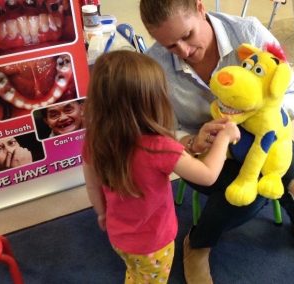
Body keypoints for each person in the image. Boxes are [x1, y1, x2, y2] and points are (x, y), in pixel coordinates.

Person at [139, 0, 294, 283]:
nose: (183, 51)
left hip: (264, 141)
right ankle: (198, 243)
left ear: (200, 8)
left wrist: (264, 116)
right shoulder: (153, 65)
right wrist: (192, 141)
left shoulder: (248, 33)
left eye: (187, 36)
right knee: (246, 199)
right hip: (201, 152)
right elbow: (160, 130)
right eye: (170, 46)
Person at [82, 50, 240, 284]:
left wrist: (102, 214)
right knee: (151, 278)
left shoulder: (94, 141)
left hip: (118, 236)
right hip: (154, 245)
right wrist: (224, 138)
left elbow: (93, 187)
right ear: (152, 102)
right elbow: (207, 176)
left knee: (136, 271)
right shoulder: (161, 148)